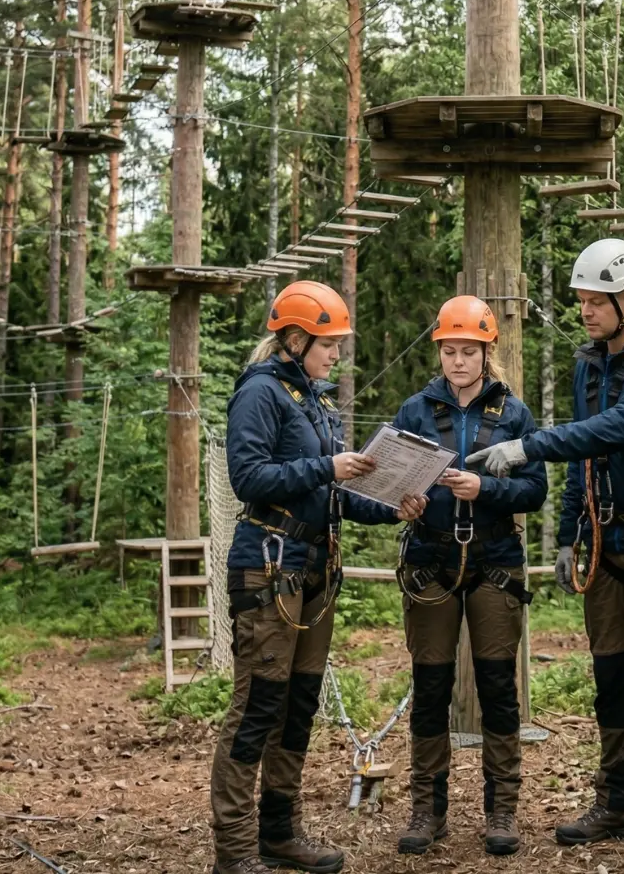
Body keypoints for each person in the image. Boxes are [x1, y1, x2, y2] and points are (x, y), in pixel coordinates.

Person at [469, 240, 624, 865]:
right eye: (580, 301)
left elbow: (620, 427)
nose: (583, 311)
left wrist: (529, 447)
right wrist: (569, 534)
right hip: (607, 538)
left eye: (594, 302)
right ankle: (618, 802)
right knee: (610, 677)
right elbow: (587, 457)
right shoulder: (589, 364)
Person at [210, 281, 425, 874]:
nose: (336, 354)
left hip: (313, 569)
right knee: (259, 704)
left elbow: (334, 493)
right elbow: (248, 478)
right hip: (269, 563)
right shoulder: (260, 393)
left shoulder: (316, 401)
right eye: (328, 344)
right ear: (296, 338)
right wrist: (326, 465)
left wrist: (391, 506)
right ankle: (233, 850)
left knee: (299, 704)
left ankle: (279, 833)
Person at [392, 296, 547, 859]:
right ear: (440, 352)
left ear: (487, 352)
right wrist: (401, 502)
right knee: (431, 686)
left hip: (494, 558)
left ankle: (501, 809)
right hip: (431, 557)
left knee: (497, 686)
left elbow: (536, 490)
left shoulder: (513, 415)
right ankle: (426, 808)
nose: (458, 361)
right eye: (450, 351)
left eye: (468, 351)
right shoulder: (414, 411)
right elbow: (389, 472)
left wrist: (487, 490)